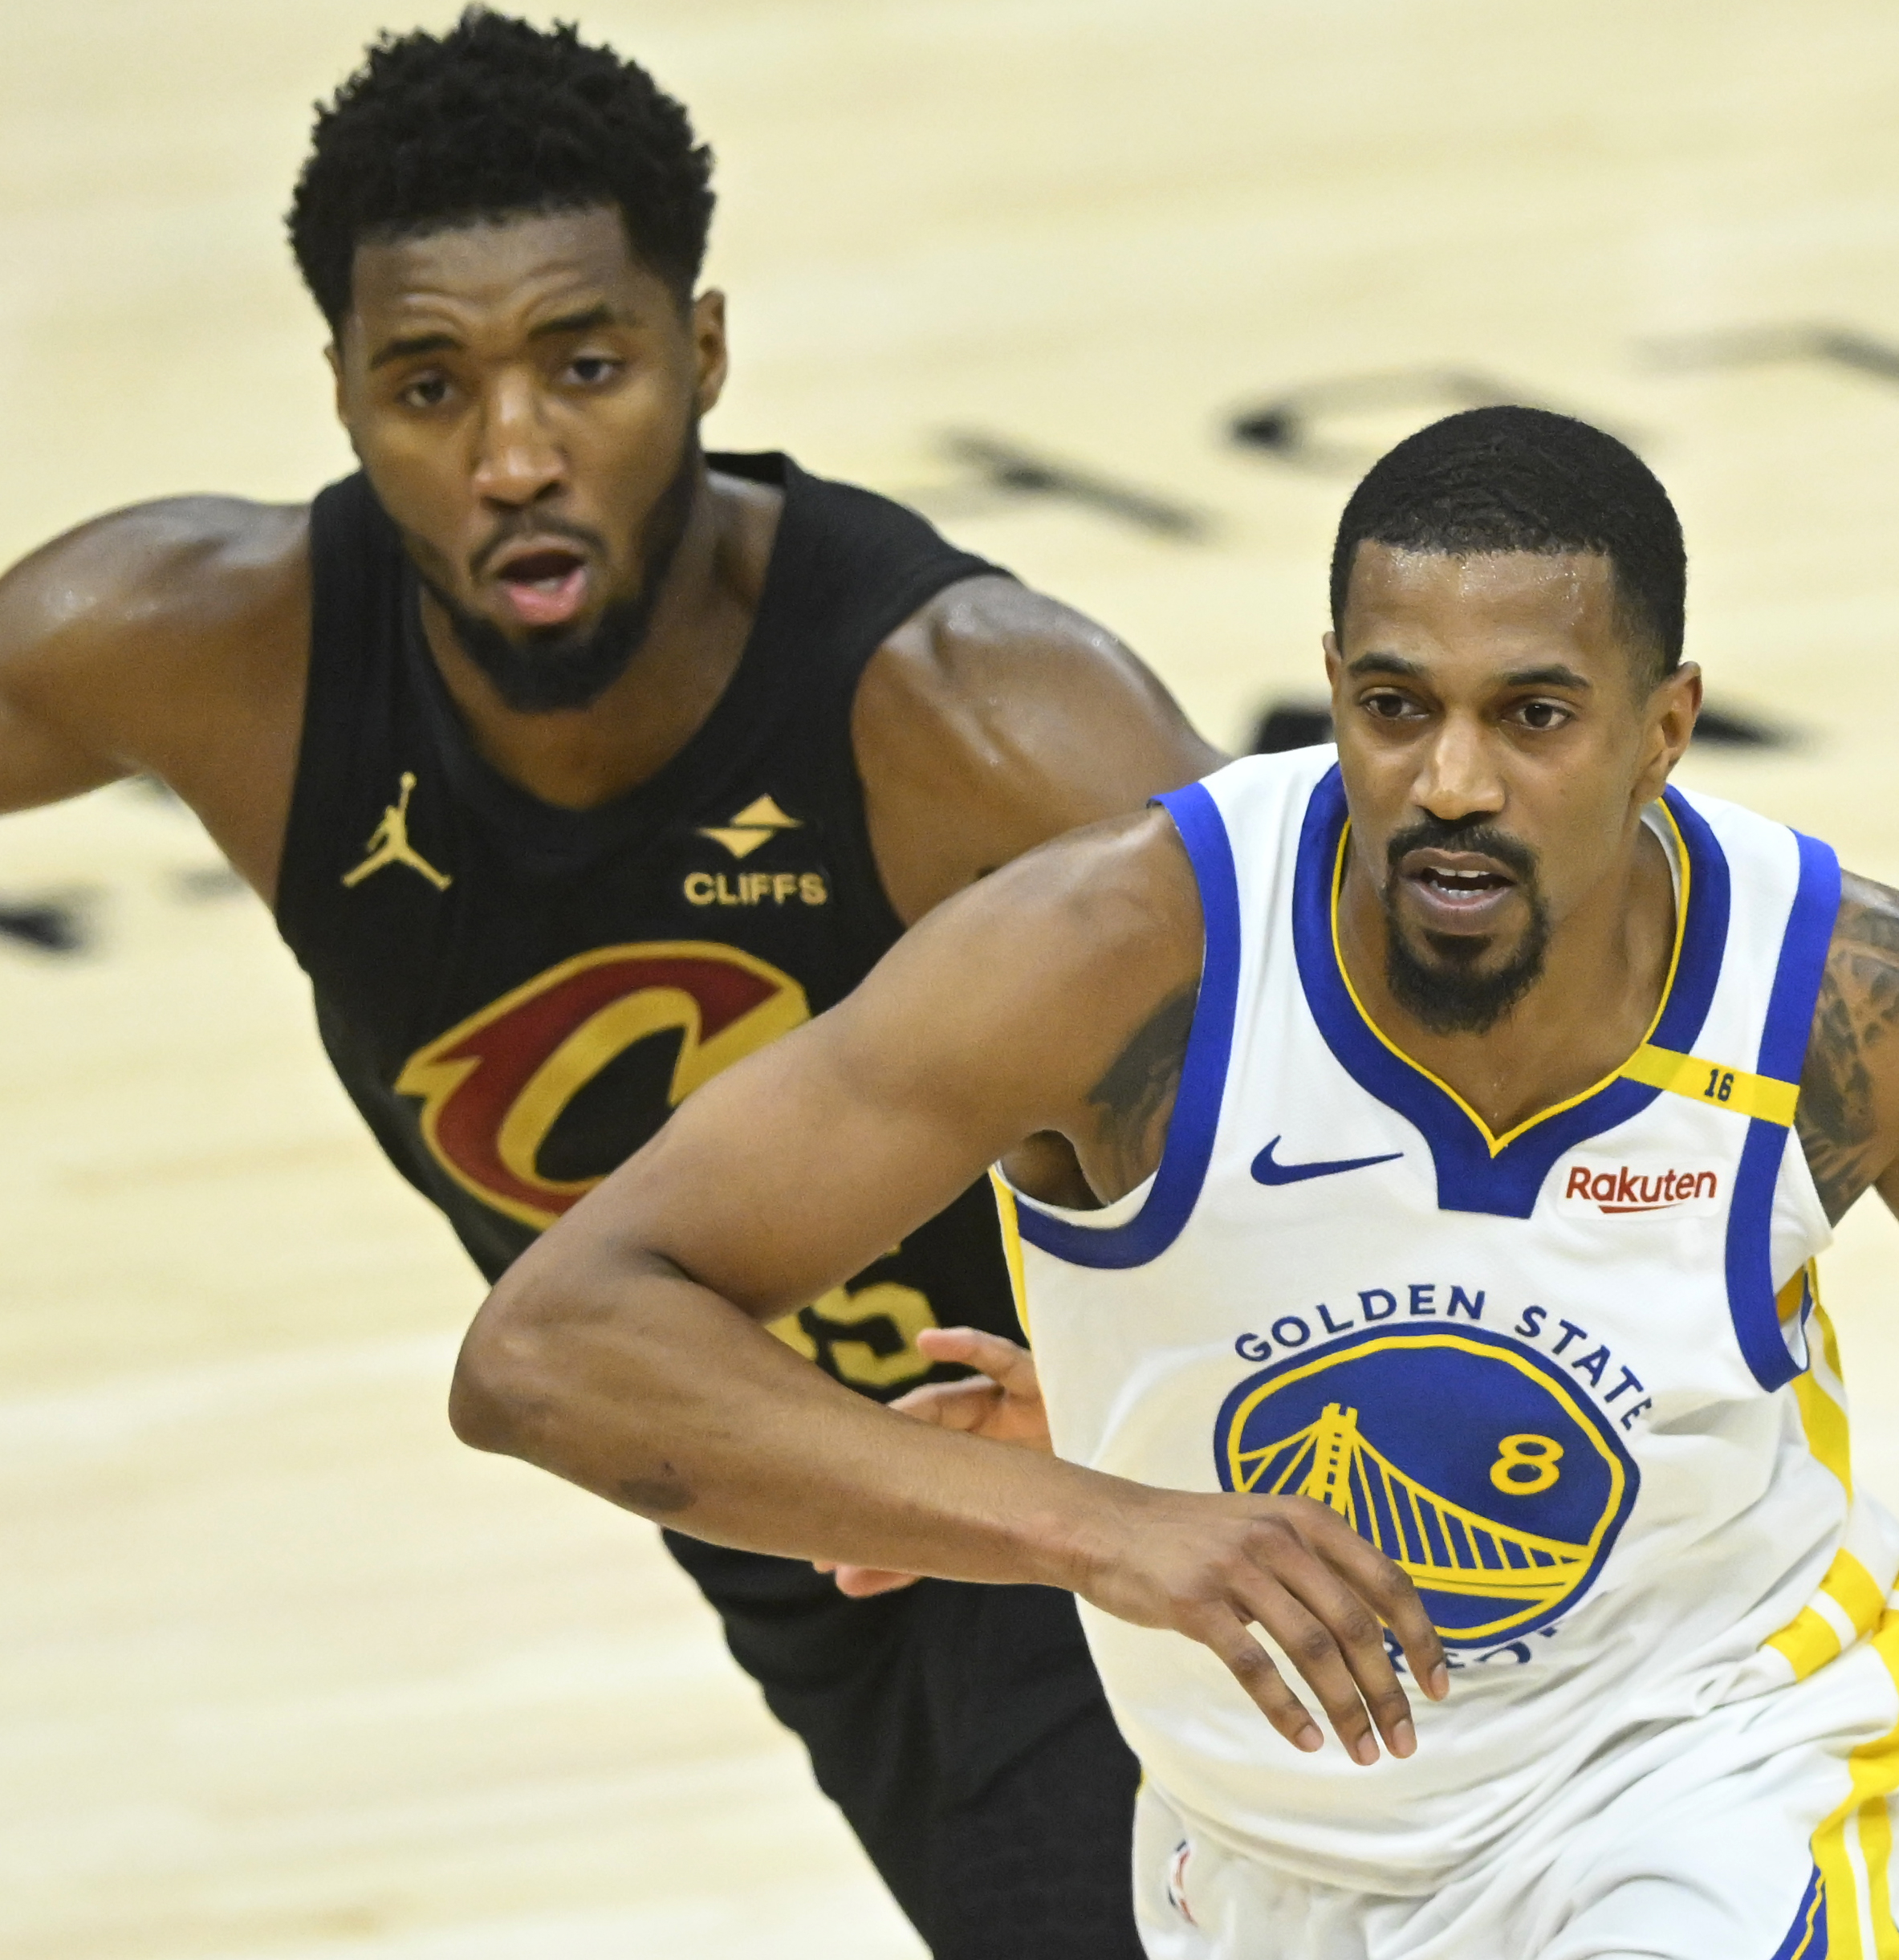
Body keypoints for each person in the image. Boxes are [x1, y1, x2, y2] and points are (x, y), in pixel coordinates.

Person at [459, 406, 1899, 1958]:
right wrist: (1103, 1516)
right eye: (1393, 705)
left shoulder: (1848, 1001)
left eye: (1534, 716)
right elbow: (555, 1344)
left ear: (1667, 725)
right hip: (1264, 1861)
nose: (1449, 778)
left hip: (1697, 1774)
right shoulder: (1119, 957)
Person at [0, 12, 1217, 1954]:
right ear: (338, 396)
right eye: (427, 384)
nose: (513, 457)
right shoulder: (196, 651)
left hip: (1102, 1497)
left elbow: (1372, 1102)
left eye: (586, 367)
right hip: (780, 1529)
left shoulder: (981, 713)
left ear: (701, 353)